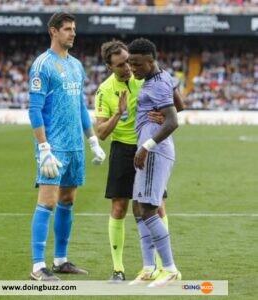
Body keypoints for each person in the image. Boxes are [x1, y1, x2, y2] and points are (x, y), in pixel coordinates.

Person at [94, 40, 183, 283]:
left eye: (129, 62)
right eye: (122, 64)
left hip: (149, 147)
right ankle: (124, 268)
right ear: (110, 67)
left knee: (152, 206)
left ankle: (165, 266)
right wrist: (118, 113)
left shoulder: (145, 75)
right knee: (126, 208)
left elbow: (174, 106)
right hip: (124, 149)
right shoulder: (105, 90)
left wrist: (163, 117)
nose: (128, 68)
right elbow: (100, 133)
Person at [28, 12, 106, 281]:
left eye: (74, 29)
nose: (73, 33)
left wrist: (93, 140)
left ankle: (60, 260)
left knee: (68, 200)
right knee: (47, 202)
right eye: (67, 29)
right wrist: (44, 147)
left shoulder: (76, 65)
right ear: (53, 31)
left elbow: (80, 106)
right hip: (54, 147)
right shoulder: (42, 65)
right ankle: (38, 266)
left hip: (75, 146)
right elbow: (35, 110)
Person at [128, 37, 181, 287]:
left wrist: (147, 146)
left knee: (149, 208)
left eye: (137, 64)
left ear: (151, 61)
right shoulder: (161, 78)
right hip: (150, 150)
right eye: (130, 63)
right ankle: (149, 267)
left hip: (154, 151)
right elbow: (179, 104)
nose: (133, 68)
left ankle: (169, 269)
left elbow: (173, 120)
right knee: (138, 207)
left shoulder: (157, 85)